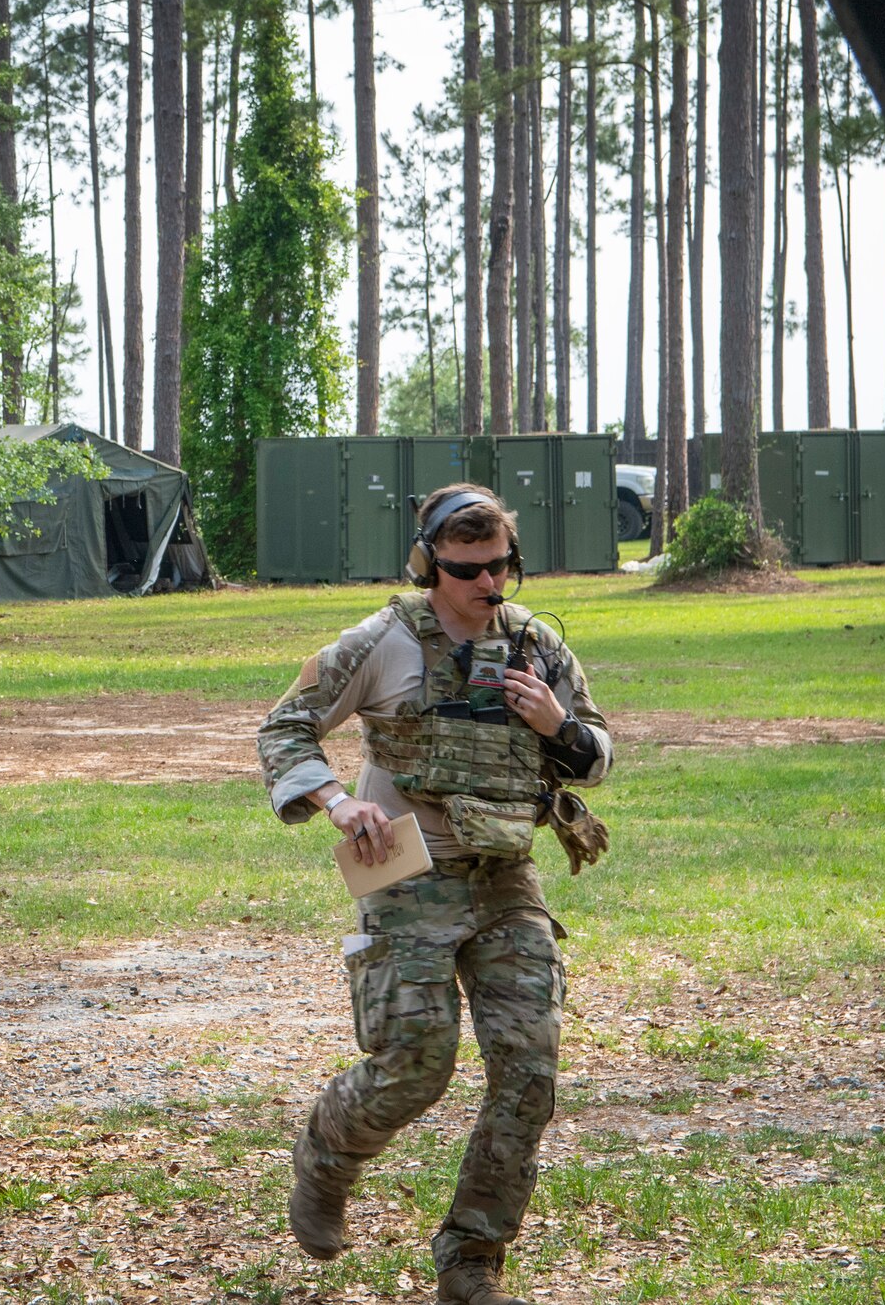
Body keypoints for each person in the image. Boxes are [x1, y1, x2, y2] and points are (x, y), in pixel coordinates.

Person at [255, 484, 612, 1305]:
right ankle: (327, 1155)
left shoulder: (539, 647)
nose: (489, 586)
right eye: (469, 571)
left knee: (529, 1070)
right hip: (403, 866)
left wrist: (557, 723)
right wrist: (339, 801)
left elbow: (597, 755)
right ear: (429, 566)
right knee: (416, 1065)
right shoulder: (382, 640)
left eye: (501, 568)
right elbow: (285, 725)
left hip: (504, 875)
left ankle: (471, 1258)